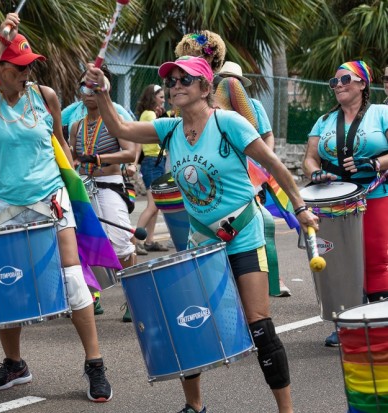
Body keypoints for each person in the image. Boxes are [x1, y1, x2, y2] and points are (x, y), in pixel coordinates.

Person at [85, 56, 318, 413]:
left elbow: (272, 164)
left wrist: (300, 208)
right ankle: (194, 406)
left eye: (185, 80)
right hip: (202, 241)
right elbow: (120, 127)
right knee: (188, 320)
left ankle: (286, 410)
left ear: (206, 87)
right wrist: (103, 91)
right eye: (171, 81)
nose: (175, 86)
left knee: (260, 327)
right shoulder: (169, 129)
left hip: (243, 235)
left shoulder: (228, 123)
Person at [0, 13, 112, 402]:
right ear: (0, 69)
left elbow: (60, 142)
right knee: (7, 285)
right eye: (19, 68)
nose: (26, 73)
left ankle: (95, 364)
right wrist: (1, 40)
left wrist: (74, 180)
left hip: (50, 196)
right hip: (3, 203)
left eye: (30, 66)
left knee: (73, 280)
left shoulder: (45, 96)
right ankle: (14, 364)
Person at [303, 60, 388, 347]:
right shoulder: (324, 120)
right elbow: (309, 157)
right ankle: (346, 324)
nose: (338, 85)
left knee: (375, 259)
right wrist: (315, 172)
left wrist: (375, 163)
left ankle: (380, 322)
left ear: (363, 83)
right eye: (334, 82)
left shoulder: (381, 113)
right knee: (338, 261)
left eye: (345, 80)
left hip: (374, 194)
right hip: (334, 201)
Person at [215, 62, 291, 297]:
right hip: (224, 178)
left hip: (252, 175)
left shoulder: (254, 106)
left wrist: (264, 163)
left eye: (233, 80)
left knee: (262, 225)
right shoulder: (213, 110)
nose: (229, 84)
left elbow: (267, 136)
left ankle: (274, 278)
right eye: (224, 79)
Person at [68, 66, 137, 318]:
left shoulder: (115, 122)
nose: (88, 93)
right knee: (87, 243)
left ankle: (133, 298)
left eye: (93, 87)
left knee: (120, 243)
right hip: (84, 188)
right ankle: (92, 296)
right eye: (84, 87)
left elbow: (130, 153)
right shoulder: (76, 126)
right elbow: (72, 158)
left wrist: (99, 158)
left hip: (109, 184)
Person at [133, 84, 170, 256]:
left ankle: (149, 241)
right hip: (153, 161)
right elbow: (161, 135)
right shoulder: (149, 114)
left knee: (156, 205)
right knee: (153, 205)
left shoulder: (148, 114)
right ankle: (135, 241)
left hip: (156, 161)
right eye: (161, 97)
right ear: (153, 97)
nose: (163, 100)